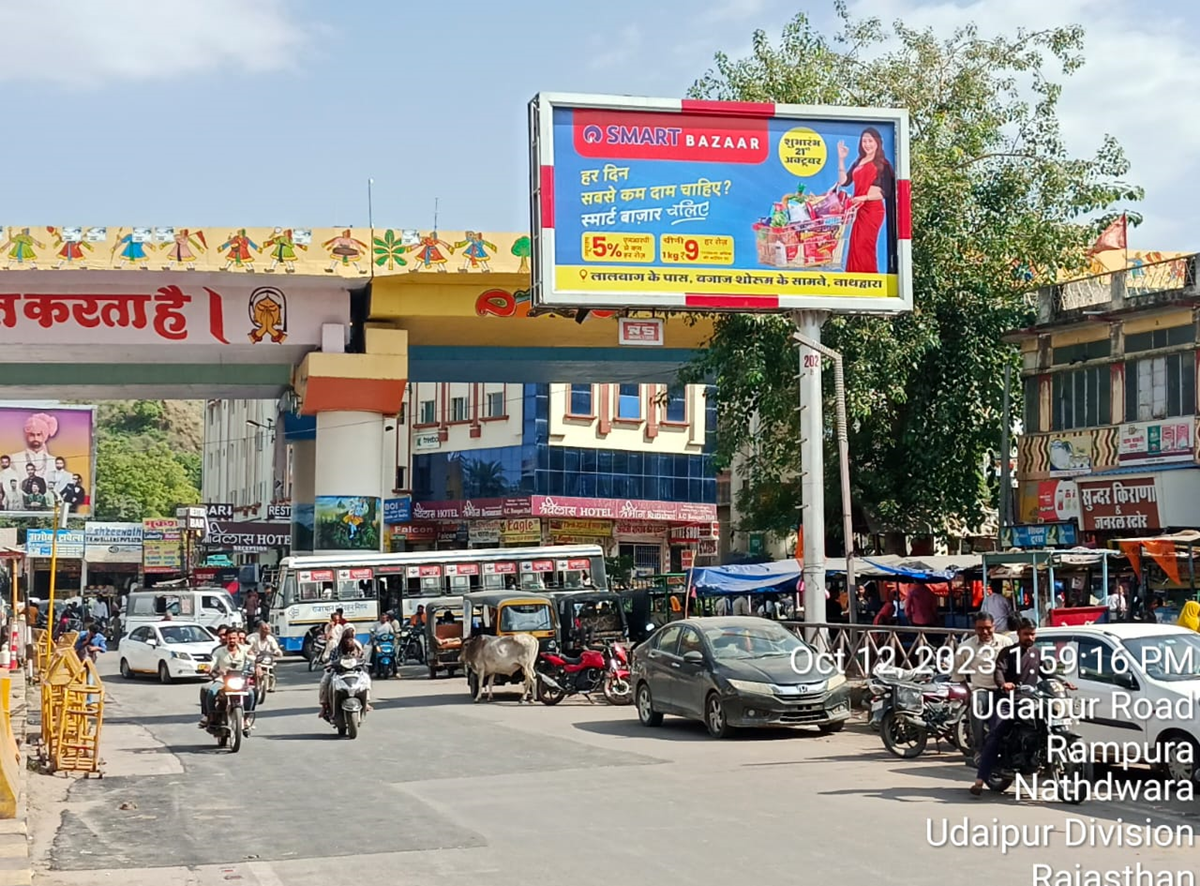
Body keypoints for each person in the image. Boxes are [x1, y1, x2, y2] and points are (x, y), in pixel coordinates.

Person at [970, 618, 1069, 796]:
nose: (1030, 637)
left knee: (1043, 722)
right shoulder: (1008, 652)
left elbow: (1046, 673)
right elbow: (999, 671)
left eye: (1032, 634)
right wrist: (1004, 684)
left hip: (1030, 700)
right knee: (996, 733)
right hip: (1007, 700)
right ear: (1018, 634)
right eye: (1026, 634)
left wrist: (1062, 682)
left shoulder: (1036, 653)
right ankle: (980, 779)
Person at [951, 613, 1014, 765]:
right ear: (975, 628)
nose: (985, 632)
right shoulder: (966, 647)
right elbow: (957, 673)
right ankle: (979, 749)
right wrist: (967, 692)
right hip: (983, 690)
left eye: (988, 628)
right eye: (980, 628)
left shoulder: (1006, 642)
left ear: (994, 626)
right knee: (977, 705)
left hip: (1007, 689)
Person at [835, 127, 895, 274]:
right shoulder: (859, 162)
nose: (867, 144)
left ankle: (869, 280)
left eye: (870, 141)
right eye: (864, 141)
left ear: (877, 143)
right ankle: (854, 280)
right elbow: (844, 181)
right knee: (854, 246)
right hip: (857, 209)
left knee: (865, 245)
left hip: (872, 210)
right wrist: (841, 159)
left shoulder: (883, 164)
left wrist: (865, 197)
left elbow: (885, 191)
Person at [199, 631, 249, 727]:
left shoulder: (245, 650)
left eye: (234, 638)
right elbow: (212, 661)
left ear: (238, 639)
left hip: (240, 681)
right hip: (222, 680)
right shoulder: (219, 651)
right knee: (211, 692)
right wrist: (208, 667)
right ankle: (211, 715)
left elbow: (252, 659)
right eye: (230, 638)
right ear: (226, 639)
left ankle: (246, 718)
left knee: (251, 694)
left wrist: (257, 665)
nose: (232, 640)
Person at [319, 624, 366, 720]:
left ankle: (367, 702)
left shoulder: (357, 646)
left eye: (351, 634)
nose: (348, 640)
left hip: (354, 672)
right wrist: (330, 664)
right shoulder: (336, 646)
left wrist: (362, 663)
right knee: (325, 681)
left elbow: (362, 658)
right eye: (346, 636)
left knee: (366, 680)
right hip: (339, 672)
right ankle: (324, 706)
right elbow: (331, 659)